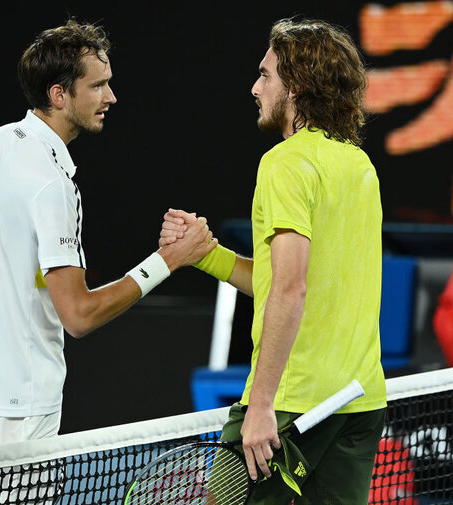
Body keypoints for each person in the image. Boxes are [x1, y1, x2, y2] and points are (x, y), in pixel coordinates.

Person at [0, 18, 215, 450]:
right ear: (59, 95)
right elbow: (78, 316)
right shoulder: (52, 185)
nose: (111, 97)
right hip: (21, 407)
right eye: (98, 86)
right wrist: (168, 261)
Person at [160, 17, 387, 505]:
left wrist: (260, 404)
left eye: (265, 76)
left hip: (290, 407)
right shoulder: (359, 165)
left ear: (297, 88)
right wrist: (209, 256)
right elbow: (288, 280)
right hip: (358, 401)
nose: (255, 87)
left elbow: (289, 289)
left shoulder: (285, 163)